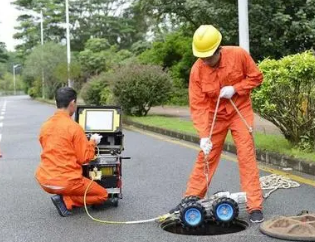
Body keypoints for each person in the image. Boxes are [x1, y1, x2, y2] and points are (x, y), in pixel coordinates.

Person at [173, 25, 264, 223]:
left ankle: (255, 205)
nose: (205, 61)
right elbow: (197, 105)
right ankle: (191, 199)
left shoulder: (239, 55)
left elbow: (257, 77)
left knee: (246, 156)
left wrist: (236, 88)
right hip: (215, 116)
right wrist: (204, 135)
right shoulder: (197, 70)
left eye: (208, 57)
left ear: (218, 49)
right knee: (205, 156)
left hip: (239, 110)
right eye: (202, 57)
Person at [35, 87, 108, 217]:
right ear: (72, 103)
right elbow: (84, 158)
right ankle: (67, 200)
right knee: (102, 195)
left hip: (44, 180)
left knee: (70, 183)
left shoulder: (45, 125)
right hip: (67, 181)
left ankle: (65, 196)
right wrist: (92, 142)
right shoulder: (74, 127)